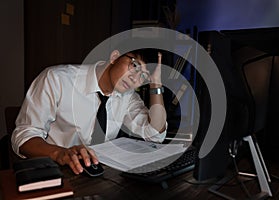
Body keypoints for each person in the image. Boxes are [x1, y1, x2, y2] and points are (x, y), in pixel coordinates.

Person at [11, 47, 167, 175]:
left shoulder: (128, 96)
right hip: (56, 172)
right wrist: (61, 154)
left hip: (99, 175)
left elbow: (154, 134)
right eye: (135, 66)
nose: (135, 78)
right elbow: (24, 137)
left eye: (144, 76)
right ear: (114, 57)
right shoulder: (57, 79)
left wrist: (156, 85)